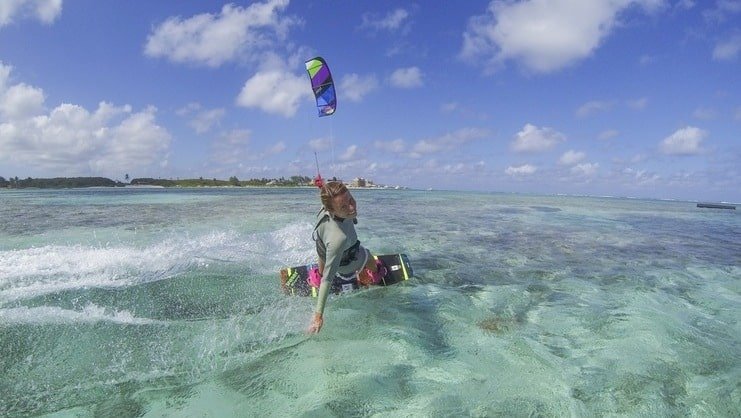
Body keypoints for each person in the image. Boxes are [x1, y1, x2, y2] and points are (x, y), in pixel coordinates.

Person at [307, 181, 384, 334]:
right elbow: (329, 279)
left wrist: (322, 186)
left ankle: (317, 275)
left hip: (322, 249)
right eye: (344, 207)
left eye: (351, 200)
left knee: (326, 253)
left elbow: (330, 198)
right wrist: (318, 316)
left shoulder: (324, 207)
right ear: (332, 210)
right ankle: (374, 274)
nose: (352, 207)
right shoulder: (339, 239)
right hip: (344, 261)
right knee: (368, 256)